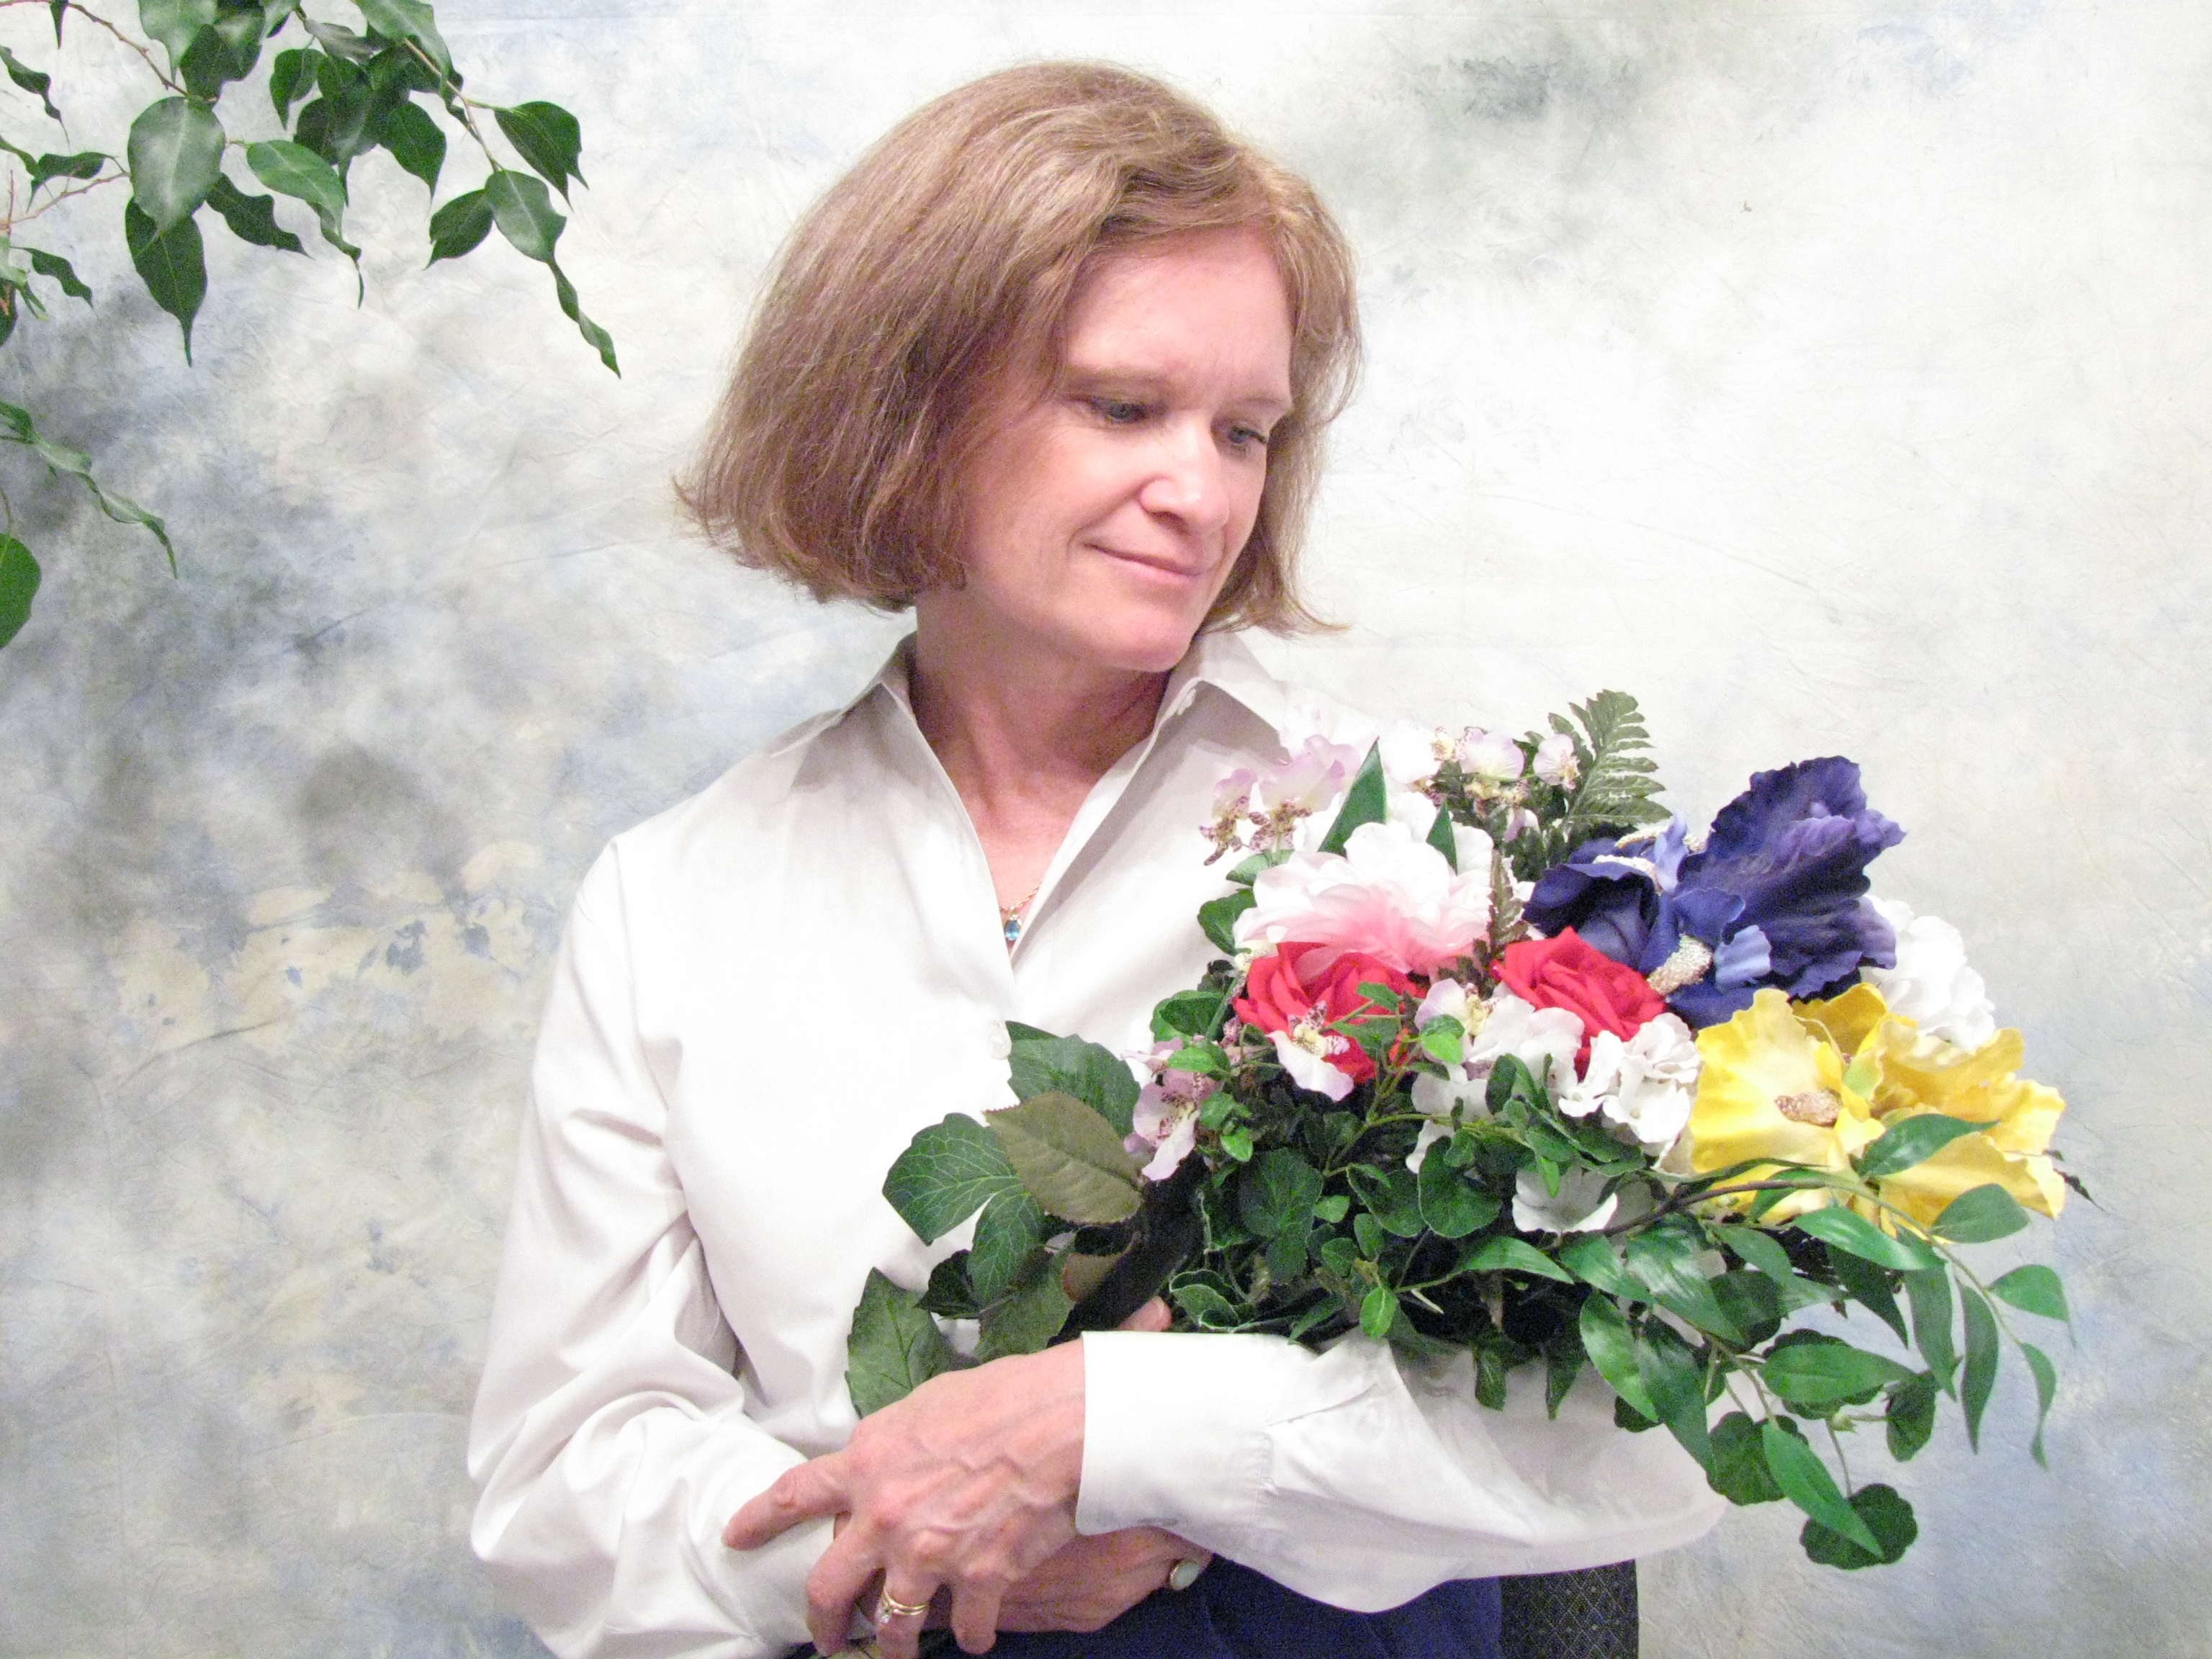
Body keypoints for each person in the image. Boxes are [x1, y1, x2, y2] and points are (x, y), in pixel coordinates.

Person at [467, 61, 1721, 1659]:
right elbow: (565, 1476)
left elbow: (1633, 1440)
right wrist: (900, 1549)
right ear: (905, 407)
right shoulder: (675, 901)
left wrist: (1114, 1431)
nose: (1201, 495)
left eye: (1245, 432)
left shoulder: (1427, 842)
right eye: (1123, 408)